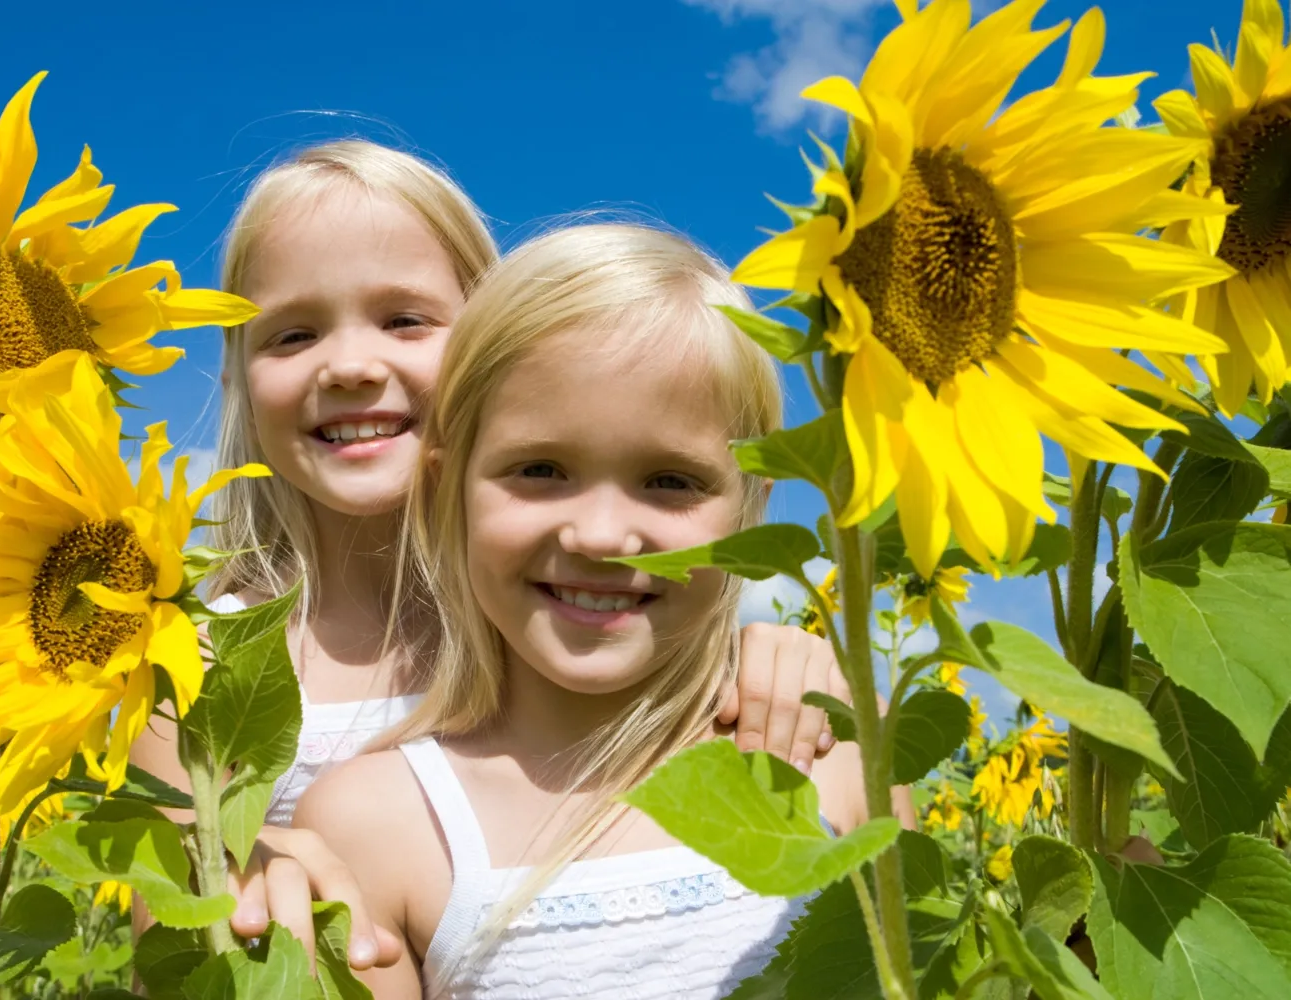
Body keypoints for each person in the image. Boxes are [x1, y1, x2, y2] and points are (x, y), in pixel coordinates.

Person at [130, 142, 853, 970]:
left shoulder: (559, 612)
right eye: (292, 335)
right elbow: (178, 942)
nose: (353, 365)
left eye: (405, 320)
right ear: (238, 377)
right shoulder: (197, 662)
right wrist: (244, 883)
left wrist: (787, 659)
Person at [293, 223, 913, 997]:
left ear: (752, 507)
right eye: (541, 469)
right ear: (448, 488)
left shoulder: (839, 757)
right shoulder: (378, 826)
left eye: (671, 481)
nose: (602, 536)